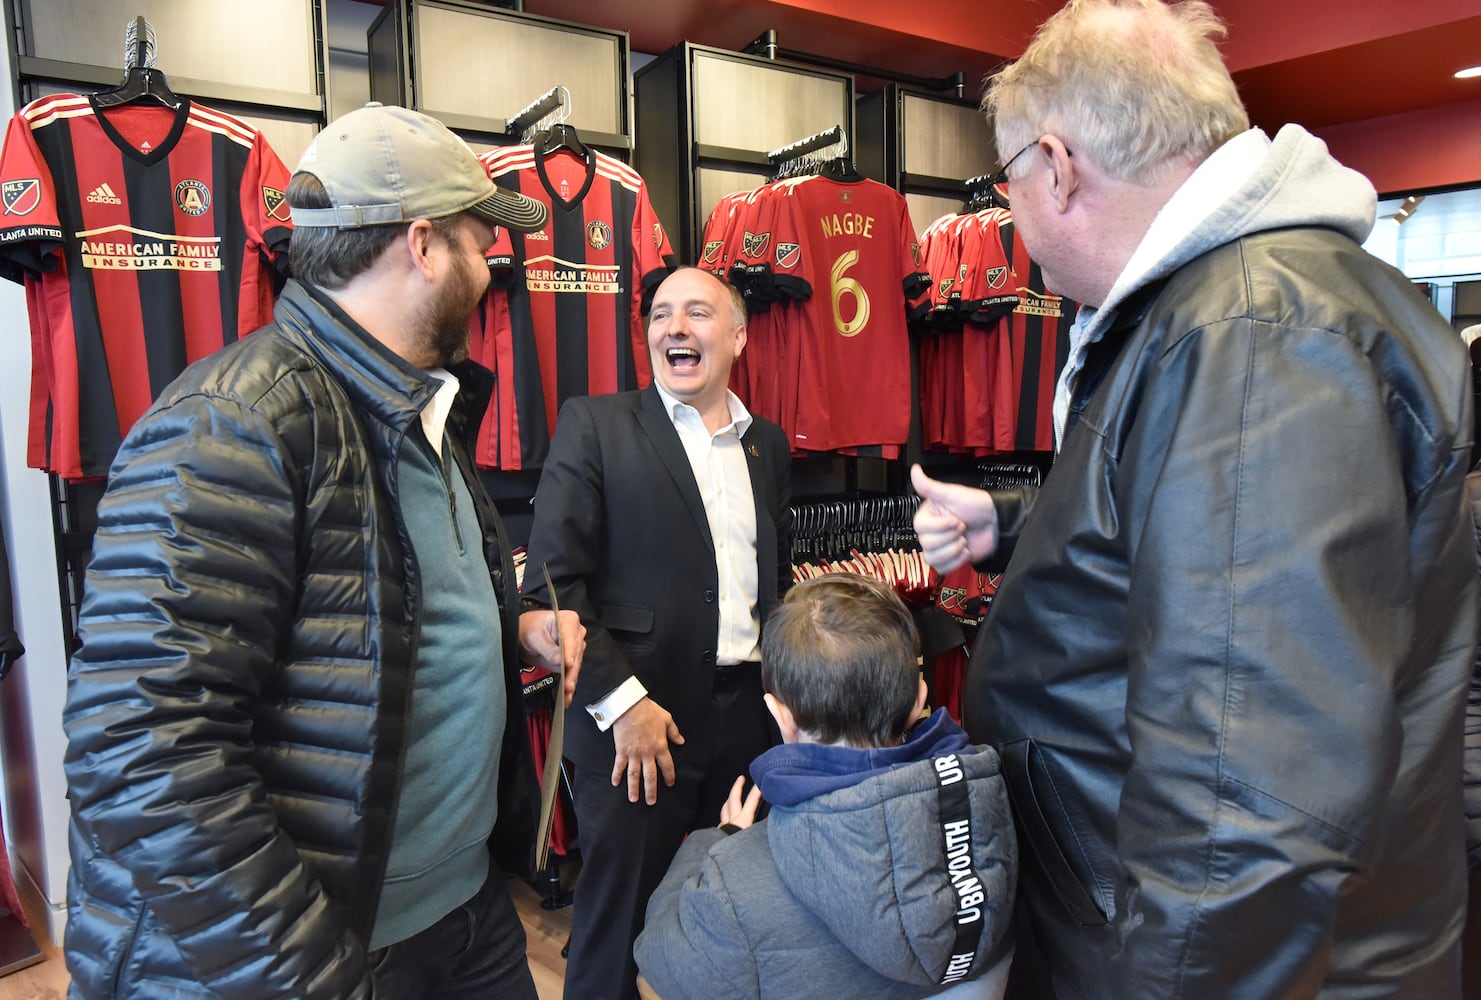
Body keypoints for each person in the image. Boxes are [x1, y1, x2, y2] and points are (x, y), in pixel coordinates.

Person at [910, 1, 1476, 996]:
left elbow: (1241, 801)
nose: (1012, 220)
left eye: (1007, 186)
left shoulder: (1250, 338)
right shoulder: (1242, 313)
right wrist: (1012, 532)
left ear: (1057, 163)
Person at [60, 103, 586, 1000]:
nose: (491, 263)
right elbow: (140, 751)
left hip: (461, 913)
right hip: (322, 948)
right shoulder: (233, 422)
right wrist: (306, 973)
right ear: (422, 245)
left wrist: (512, 627)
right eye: (476, 238)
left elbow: (372, 613)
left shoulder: (418, 407)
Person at [521, 265, 792, 1000]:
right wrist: (622, 705)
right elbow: (553, 587)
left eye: (696, 312)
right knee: (613, 925)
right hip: (635, 727)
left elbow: (775, 585)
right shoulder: (597, 424)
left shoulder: (766, 444)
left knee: (734, 911)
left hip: (747, 721)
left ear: (735, 335)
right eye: (659, 313)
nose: (673, 326)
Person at [634, 572, 1017, 1000]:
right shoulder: (998, 814)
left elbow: (654, 979)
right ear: (918, 697)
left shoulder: (733, 883)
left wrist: (713, 843)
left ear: (781, 717)